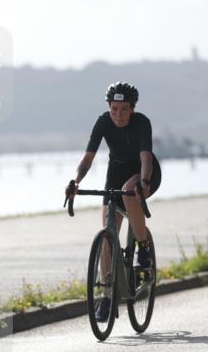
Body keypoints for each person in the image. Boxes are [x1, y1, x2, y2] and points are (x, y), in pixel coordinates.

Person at [66, 81, 161, 322]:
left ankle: (143, 247)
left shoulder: (142, 123)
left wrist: (145, 182)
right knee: (108, 234)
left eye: (124, 109)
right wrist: (76, 181)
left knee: (129, 192)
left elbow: (146, 158)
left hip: (143, 172)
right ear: (109, 107)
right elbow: (87, 159)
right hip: (115, 172)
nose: (118, 115)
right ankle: (107, 296)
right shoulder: (103, 122)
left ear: (132, 109)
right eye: (114, 109)